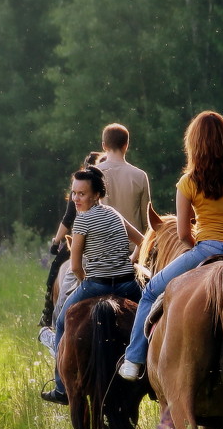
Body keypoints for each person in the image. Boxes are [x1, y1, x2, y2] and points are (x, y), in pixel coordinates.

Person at [118, 111, 223, 381]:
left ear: (193, 145)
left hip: (206, 249)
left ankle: (134, 359)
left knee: (151, 291)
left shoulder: (188, 183)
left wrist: (199, 245)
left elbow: (184, 233)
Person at [44, 165, 145, 404]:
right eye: (74, 193)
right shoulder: (114, 214)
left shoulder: (82, 222)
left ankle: (61, 387)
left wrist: (85, 282)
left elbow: (76, 266)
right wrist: (129, 261)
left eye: (82, 194)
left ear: (96, 194)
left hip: (97, 285)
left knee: (60, 323)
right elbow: (143, 240)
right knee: (152, 321)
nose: (76, 199)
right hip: (128, 285)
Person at [38, 152, 102, 330]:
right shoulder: (108, 205)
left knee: (55, 268)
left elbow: (68, 218)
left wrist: (56, 241)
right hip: (122, 244)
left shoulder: (82, 188)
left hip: (82, 241)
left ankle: (48, 312)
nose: (76, 197)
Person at [95, 123, 152, 246]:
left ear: (104, 146)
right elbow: (147, 220)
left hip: (103, 249)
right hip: (133, 249)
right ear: (126, 145)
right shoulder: (140, 176)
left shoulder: (93, 174)